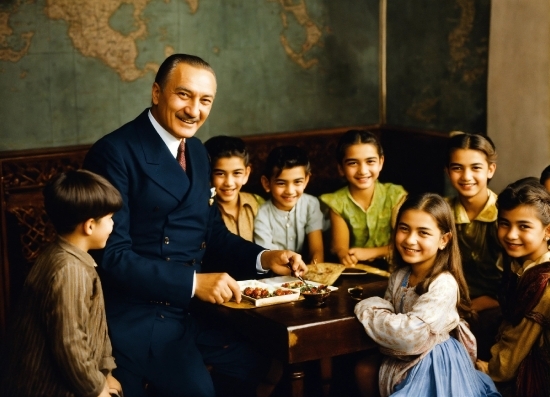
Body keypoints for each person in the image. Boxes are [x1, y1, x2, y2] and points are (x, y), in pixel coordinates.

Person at [83, 53, 307, 397]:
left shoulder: (199, 152)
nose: (194, 110)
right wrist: (192, 283)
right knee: (199, 390)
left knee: (265, 362)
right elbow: (112, 256)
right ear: (157, 93)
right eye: (183, 95)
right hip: (138, 314)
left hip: (190, 310)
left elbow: (213, 235)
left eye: (205, 100)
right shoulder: (115, 152)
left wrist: (266, 258)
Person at [354, 193, 501, 397]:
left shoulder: (444, 284)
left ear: (444, 240)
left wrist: (367, 308)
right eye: (404, 228)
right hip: (405, 355)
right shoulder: (400, 276)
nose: (410, 239)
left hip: (435, 361)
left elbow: (409, 336)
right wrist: (387, 322)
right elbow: (390, 322)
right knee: (362, 369)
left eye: (423, 233)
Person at [0, 170, 123, 397]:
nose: (113, 225)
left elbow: (93, 329)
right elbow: (70, 344)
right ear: (89, 226)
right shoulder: (69, 271)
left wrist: (105, 372)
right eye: (109, 218)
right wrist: (96, 389)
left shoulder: (68, 257)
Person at [476, 178, 550, 397]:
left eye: (524, 226)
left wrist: (487, 369)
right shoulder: (521, 265)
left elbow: (512, 357)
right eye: (504, 223)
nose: (511, 235)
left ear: (548, 231)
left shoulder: (543, 282)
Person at [444, 131, 502, 360]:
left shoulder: (506, 216)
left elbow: (515, 281)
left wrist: (472, 306)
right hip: (449, 304)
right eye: (457, 168)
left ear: (490, 169)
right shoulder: (442, 213)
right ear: (448, 171)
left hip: (496, 309)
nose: (466, 176)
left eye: (476, 167)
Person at [319, 130, 407, 266]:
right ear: (341, 168)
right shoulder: (337, 202)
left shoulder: (395, 196)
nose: (363, 171)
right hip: (357, 269)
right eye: (353, 163)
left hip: (396, 267)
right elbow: (340, 248)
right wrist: (345, 256)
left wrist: (370, 253)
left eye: (370, 161)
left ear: (381, 162)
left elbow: (405, 243)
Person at [254, 145, 325, 264]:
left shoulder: (311, 204)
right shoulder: (261, 213)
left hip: (306, 274)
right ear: (266, 183)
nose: (290, 191)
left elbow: (317, 251)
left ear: (306, 180)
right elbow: (267, 257)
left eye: (297, 182)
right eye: (281, 183)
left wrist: (315, 272)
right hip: (273, 275)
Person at [204, 135, 264, 242]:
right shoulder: (203, 211)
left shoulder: (257, 203)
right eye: (220, 173)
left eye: (236, 173)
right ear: (208, 174)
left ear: (246, 174)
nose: (229, 183)